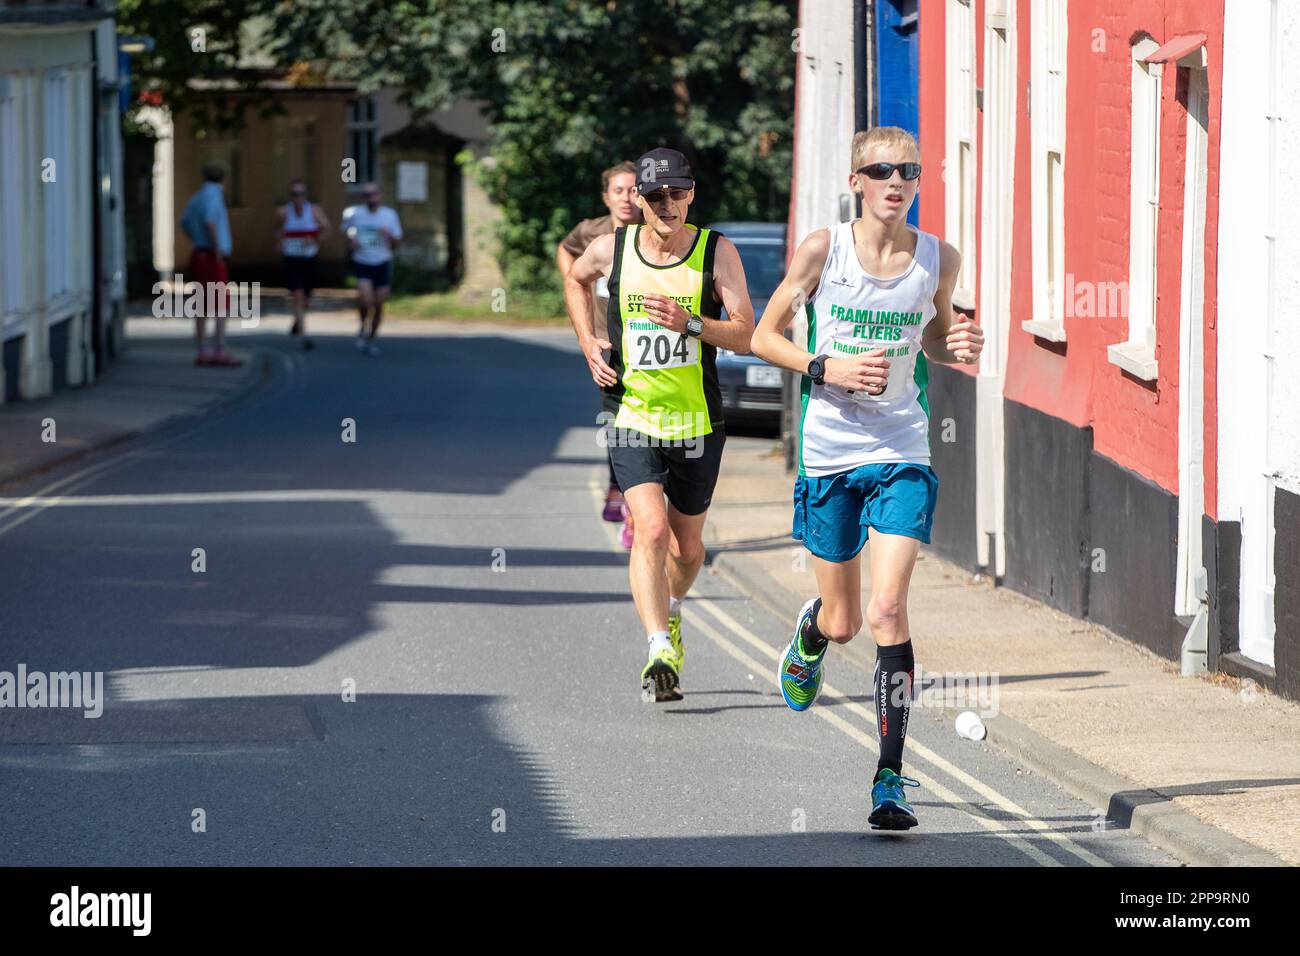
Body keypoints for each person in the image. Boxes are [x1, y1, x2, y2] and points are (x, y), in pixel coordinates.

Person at [750, 126, 984, 829]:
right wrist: (827, 367)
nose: (895, 181)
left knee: (887, 611)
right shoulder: (824, 251)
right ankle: (814, 634)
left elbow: (935, 338)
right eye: (881, 170)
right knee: (847, 621)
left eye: (907, 171)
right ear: (856, 181)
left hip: (901, 446)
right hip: (828, 453)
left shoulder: (939, 259)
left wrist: (959, 344)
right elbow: (765, 337)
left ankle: (889, 778)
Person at [564, 147, 755, 702]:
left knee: (687, 546)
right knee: (648, 528)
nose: (666, 204)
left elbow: (747, 333)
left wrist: (691, 322)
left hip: (696, 419)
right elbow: (575, 278)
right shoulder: (612, 250)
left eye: (677, 193)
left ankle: (671, 612)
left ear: (691, 193)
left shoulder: (717, 252)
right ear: (639, 201)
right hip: (630, 412)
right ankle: (657, 648)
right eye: (654, 196)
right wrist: (587, 341)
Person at [556, 161, 643, 548]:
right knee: (620, 419)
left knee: (649, 426)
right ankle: (621, 493)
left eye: (633, 190)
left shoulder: (654, 229)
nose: (627, 198)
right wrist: (575, 283)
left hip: (648, 343)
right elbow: (566, 250)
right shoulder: (592, 232)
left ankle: (636, 499)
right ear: (606, 196)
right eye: (619, 191)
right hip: (608, 344)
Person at [179, 162, 242, 367]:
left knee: (201, 305)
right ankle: (220, 350)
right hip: (212, 256)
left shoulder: (196, 197)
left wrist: (196, 239)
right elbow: (210, 222)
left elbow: (185, 223)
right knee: (221, 306)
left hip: (198, 253)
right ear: (224, 178)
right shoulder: (215, 197)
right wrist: (217, 250)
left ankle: (202, 349)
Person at [342, 183, 402, 356]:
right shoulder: (355, 214)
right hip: (363, 261)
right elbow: (345, 231)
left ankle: (371, 338)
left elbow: (397, 242)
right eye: (367, 195)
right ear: (363, 198)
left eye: (374, 194)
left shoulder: (389, 215)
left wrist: (389, 236)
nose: (371, 198)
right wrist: (351, 241)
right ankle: (362, 324)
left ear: (379, 196)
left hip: (382, 262)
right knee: (366, 300)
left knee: (379, 305)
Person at [275, 179, 331, 351]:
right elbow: (277, 230)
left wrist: (315, 239)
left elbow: (327, 229)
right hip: (292, 258)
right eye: (293, 194)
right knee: (297, 294)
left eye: (300, 194)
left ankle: (296, 321)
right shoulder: (283, 212)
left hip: (309, 258)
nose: (297, 198)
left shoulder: (314, 211)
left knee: (306, 296)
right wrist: (279, 243)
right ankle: (304, 335)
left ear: (305, 196)